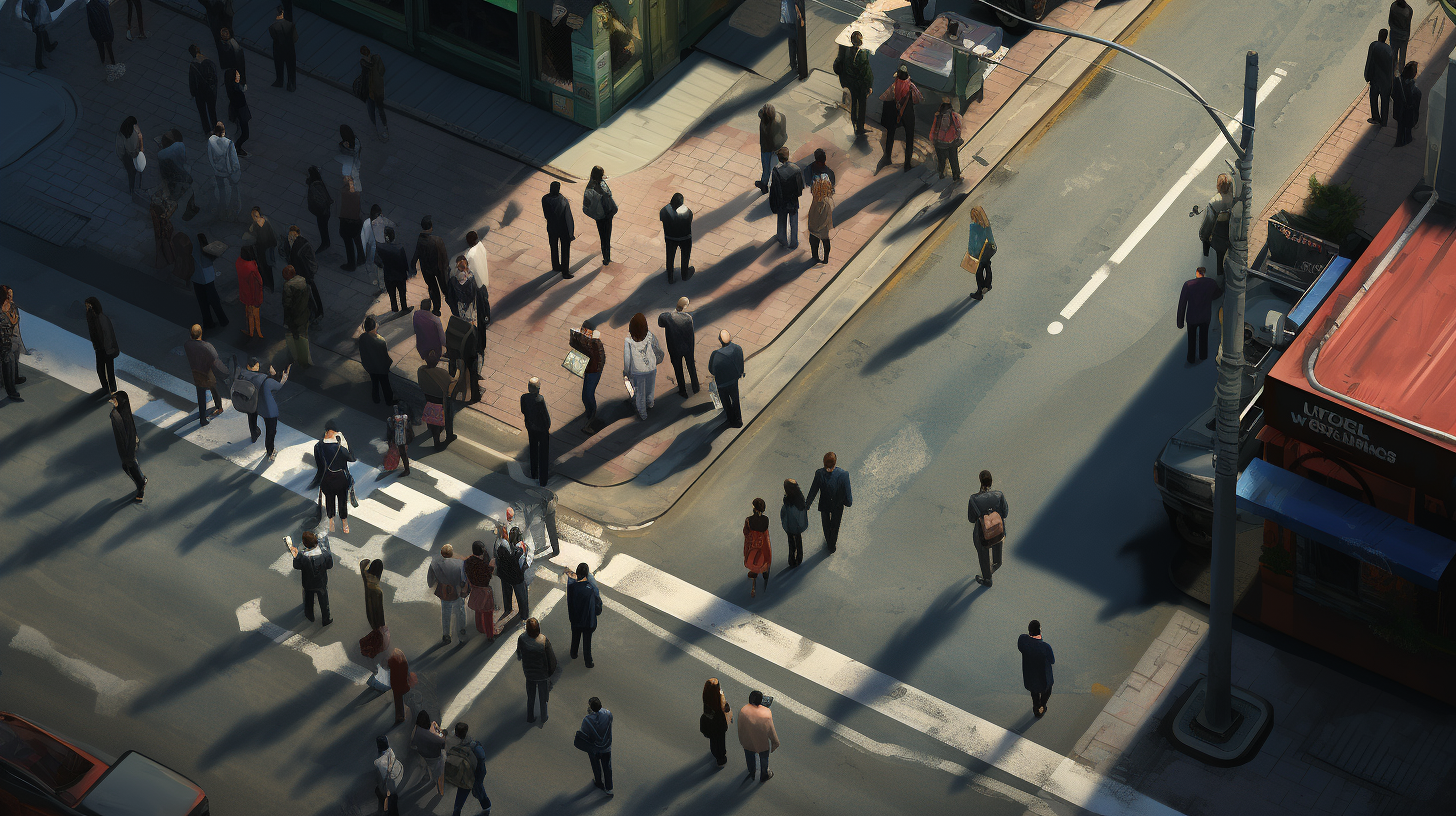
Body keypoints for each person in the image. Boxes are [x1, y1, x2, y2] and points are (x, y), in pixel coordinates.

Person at [237, 358, 288, 458]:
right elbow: (279, 387)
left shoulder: (242, 374)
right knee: (271, 430)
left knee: (251, 417)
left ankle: (254, 434)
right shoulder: (265, 380)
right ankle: (270, 450)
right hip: (266, 408)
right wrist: (284, 377)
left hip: (251, 402)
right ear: (255, 366)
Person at [969, 469, 1009, 587]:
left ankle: (987, 579)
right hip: (998, 531)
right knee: (997, 545)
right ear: (991, 482)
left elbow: (971, 519)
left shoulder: (974, 499)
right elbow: (1005, 513)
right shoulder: (999, 495)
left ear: (980, 482)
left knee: (983, 555)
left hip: (982, 534)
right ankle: (996, 564)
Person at [806, 452, 852, 553]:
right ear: (835, 462)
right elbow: (847, 490)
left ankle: (829, 543)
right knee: (835, 526)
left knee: (826, 525)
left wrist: (807, 504)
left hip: (825, 504)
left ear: (823, 462)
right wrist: (848, 502)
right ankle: (832, 545)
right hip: (838, 505)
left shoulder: (819, 473)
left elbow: (813, 490)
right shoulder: (843, 474)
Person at [314, 422, 356, 534]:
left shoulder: (318, 446)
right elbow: (352, 458)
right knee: (342, 500)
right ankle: (344, 522)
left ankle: (331, 522)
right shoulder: (340, 448)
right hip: (340, 478)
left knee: (329, 499)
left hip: (326, 478)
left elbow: (319, 464)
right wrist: (346, 443)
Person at [879, 66, 922, 171]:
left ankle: (888, 157)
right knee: (909, 138)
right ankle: (907, 163)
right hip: (908, 115)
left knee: (890, 134)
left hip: (895, 114)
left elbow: (884, 97)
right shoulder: (911, 86)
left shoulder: (894, 86)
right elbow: (918, 99)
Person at [1176, 266, 1223, 364]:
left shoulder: (1188, 284)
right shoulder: (1211, 283)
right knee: (1203, 337)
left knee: (1191, 339)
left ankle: (1191, 358)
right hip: (1205, 316)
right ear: (1204, 273)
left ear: (1197, 272)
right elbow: (1218, 294)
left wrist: (1180, 322)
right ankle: (1203, 356)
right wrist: (1209, 297)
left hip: (1192, 317)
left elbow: (1182, 304)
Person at [183, 324, 227, 425]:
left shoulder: (187, 344)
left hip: (196, 373)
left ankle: (202, 418)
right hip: (207, 372)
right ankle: (219, 407)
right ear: (201, 334)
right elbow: (215, 359)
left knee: (201, 395)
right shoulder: (207, 346)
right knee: (214, 389)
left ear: (191, 335)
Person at [624, 313, 663, 421]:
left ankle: (643, 413)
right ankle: (650, 402)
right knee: (650, 387)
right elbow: (656, 349)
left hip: (637, 370)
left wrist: (626, 371)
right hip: (651, 367)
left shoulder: (628, 341)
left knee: (640, 393)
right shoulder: (650, 335)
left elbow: (627, 358)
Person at [517, 617, 557, 723]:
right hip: (542, 675)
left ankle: (530, 717)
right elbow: (551, 659)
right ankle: (543, 717)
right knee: (543, 698)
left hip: (529, 674)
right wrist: (550, 673)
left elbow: (519, 654)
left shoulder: (521, 638)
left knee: (531, 697)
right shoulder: (543, 640)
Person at [289, 530, 333, 624]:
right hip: (321, 582)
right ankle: (326, 619)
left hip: (308, 583)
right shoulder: (325, 553)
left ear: (305, 544)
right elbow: (330, 565)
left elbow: (296, 566)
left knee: (308, 599)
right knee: (324, 601)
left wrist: (295, 555)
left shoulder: (302, 556)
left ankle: (309, 615)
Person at [428, 543, 470, 644]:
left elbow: (430, 580)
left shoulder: (434, 563)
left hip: (444, 592)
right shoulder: (459, 563)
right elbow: (463, 578)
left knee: (445, 613)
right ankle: (461, 629)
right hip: (457, 590)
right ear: (451, 554)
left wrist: (433, 584)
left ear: (441, 553)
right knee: (460, 611)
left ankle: (446, 635)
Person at [109, 391, 146, 502]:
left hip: (128, 445)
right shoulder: (120, 412)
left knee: (130, 464)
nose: (113, 402)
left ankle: (141, 485)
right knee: (126, 467)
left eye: (115, 400)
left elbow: (129, 433)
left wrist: (114, 412)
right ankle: (141, 482)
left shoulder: (122, 415)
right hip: (122, 443)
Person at [569, 320, 606, 429]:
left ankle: (592, 415)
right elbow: (573, 345)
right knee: (586, 395)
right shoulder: (588, 341)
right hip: (590, 370)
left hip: (594, 372)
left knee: (588, 395)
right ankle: (589, 412)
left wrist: (578, 337)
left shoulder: (594, 342)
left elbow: (587, 349)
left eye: (585, 331)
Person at [658, 298, 698, 398]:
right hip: (687, 348)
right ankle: (695, 387)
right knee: (691, 367)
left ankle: (682, 390)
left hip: (675, 348)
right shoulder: (688, 318)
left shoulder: (667, 317)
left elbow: (660, 322)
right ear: (685, 307)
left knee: (678, 369)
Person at [446, 723, 489, 816]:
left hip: (459, 773)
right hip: (472, 773)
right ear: (466, 732)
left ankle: (456, 812)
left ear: (456, 731)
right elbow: (481, 757)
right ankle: (486, 806)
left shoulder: (450, 741)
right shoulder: (473, 745)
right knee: (479, 789)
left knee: (461, 793)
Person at [360, 559, 390, 690]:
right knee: (378, 633)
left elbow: (362, 565)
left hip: (368, 610)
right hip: (375, 616)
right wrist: (382, 625)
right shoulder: (377, 590)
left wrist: (366, 563)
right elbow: (379, 610)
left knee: (375, 630)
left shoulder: (366, 575)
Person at [738, 690, 779, 782]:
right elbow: (770, 730)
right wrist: (775, 742)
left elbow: (740, 727)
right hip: (761, 742)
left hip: (747, 741)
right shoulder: (765, 714)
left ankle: (752, 770)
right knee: (763, 757)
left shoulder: (743, 711)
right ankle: (764, 774)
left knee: (749, 756)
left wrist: (742, 740)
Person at [565, 563, 600, 668]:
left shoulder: (572, 587)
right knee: (587, 642)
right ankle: (588, 662)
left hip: (575, 619)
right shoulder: (591, 589)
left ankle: (573, 653)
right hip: (588, 621)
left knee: (575, 637)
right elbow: (597, 604)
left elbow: (570, 603)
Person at [1199, 174, 1234, 277]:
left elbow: (1208, 223)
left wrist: (1203, 236)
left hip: (1218, 237)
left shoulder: (1214, 202)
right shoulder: (1233, 199)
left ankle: (1209, 265)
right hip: (1230, 233)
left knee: (1209, 246)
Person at [708, 330, 745, 428]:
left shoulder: (715, 354)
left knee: (726, 403)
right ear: (731, 338)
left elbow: (711, 369)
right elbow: (741, 364)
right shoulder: (738, 348)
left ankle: (731, 420)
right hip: (733, 380)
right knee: (735, 399)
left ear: (720, 340)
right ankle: (738, 420)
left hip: (722, 383)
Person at [1019, 620, 1055, 717]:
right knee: (1046, 692)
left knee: (1034, 694)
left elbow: (1025, 638)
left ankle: (1036, 706)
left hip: (1030, 676)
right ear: (1039, 631)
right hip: (1043, 678)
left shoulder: (1022, 641)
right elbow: (1052, 660)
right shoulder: (1045, 647)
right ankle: (1042, 706)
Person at [840, 31, 874, 135]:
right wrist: (869, 86)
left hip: (852, 83)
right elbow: (866, 72)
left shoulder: (848, 51)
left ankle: (854, 121)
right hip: (861, 85)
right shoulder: (863, 54)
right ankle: (860, 127)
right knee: (862, 105)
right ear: (860, 42)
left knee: (854, 103)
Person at [413, 216, 448, 315]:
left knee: (433, 289)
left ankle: (436, 308)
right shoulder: (437, 240)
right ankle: (449, 299)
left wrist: (413, 264)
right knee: (444, 286)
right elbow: (444, 257)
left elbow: (416, 253)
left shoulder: (420, 240)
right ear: (431, 227)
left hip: (427, 270)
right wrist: (446, 268)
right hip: (438, 268)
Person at [769, 147, 803, 249]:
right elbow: (800, 188)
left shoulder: (776, 171)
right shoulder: (796, 169)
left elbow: (774, 189)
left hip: (782, 201)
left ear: (779, 158)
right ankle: (794, 242)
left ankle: (782, 239)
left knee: (782, 221)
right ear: (788, 156)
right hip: (792, 200)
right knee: (793, 222)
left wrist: (773, 202)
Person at [287, 225, 323, 323]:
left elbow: (310, 261)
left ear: (298, 234)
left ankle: (315, 315)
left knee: (309, 297)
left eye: (293, 236)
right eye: (289, 236)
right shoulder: (298, 244)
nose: (290, 238)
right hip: (304, 276)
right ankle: (316, 314)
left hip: (304, 277)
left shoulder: (299, 246)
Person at [582, 166, 617, 266]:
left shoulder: (602, 183)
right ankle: (606, 257)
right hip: (600, 216)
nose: (602, 177)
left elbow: (609, 193)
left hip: (608, 212)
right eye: (601, 175)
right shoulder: (590, 189)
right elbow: (587, 205)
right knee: (603, 236)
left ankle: (607, 255)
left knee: (607, 235)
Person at [84, 297, 119, 397]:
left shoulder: (102, 318)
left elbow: (108, 334)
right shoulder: (92, 318)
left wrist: (108, 349)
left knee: (109, 370)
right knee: (101, 369)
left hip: (106, 348)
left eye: (89, 306)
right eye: (87, 306)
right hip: (99, 348)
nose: (88, 308)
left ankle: (112, 390)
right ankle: (106, 389)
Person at [418, 356, 455, 446]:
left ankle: (432, 431)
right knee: (448, 416)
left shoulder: (421, 370)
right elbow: (450, 383)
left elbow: (420, 384)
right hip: (440, 400)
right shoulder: (442, 372)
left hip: (428, 397)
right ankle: (448, 436)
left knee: (432, 416)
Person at [464, 541, 497, 642]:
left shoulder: (467, 561)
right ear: (482, 551)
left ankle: (480, 628)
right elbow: (486, 579)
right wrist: (491, 567)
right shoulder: (482, 565)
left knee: (478, 609)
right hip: (484, 590)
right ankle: (490, 635)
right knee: (488, 613)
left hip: (475, 589)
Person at [207, 123, 242, 219]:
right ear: (223, 132)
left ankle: (222, 210)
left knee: (221, 191)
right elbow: (234, 159)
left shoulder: (211, 141)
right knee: (233, 190)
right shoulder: (228, 143)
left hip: (218, 171)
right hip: (228, 172)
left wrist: (214, 167)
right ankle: (233, 211)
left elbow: (210, 155)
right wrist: (236, 170)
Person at [580, 697, 613, 795]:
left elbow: (584, 732)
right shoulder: (608, 714)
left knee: (596, 765)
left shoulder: (587, 719)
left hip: (594, 747)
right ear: (601, 705)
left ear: (590, 707)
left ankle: (599, 782)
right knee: (607, 767)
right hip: (606, 746)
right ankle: (609, 788)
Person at [356, 316, 394, 405]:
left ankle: (376, 398)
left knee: (374, 383)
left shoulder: (362, 337)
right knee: (385, 385)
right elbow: (384, 356)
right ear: (375, 326)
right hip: (381, 368)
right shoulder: (380, 340)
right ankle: (389, 401)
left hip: (369, 366)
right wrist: (389, 363)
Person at [521, 376, 551, 484]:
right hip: (541, 430)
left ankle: (534, 473)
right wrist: (547, 426)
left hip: (530, 427)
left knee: (533, 450)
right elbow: (545, 416)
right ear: (538, 388)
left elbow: (523, 410)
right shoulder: (540, 399)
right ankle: (543, 479)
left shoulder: (523, 397)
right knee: (543, 454)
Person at [494, 523, 528, 619]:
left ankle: (508, 609)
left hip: (504, 575)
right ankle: (524, 615)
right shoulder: (517, 552)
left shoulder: (497, 543)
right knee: (521, 597)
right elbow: (521, 564)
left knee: (506, 593)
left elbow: (495, 557)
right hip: (516, 578)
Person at [280, 265, 312, 367]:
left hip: (295, 317)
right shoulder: (303, 280)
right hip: (304, 314)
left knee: (297, 338)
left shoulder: (288, 286)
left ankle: (300, 359)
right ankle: (303, 358)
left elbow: (287, 304)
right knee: (303, 336)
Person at [542, 181, 576, 277]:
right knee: (565, 249)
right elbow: (567, 216)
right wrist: (570, 231)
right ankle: (565, 272)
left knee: (554, 247)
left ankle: (556, 265)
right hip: (563, 227)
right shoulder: (562, 199)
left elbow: (547, 215)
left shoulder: (545, 199)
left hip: (552, 227)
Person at [411, 711, 448, 796]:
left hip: (423, 755)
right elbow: (442, 744)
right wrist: (438, 732)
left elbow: (413, 745)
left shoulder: (416, 731)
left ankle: (427, 775)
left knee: (428, 767)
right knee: (439, 773)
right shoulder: (436, 739)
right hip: (435, 757)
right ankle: (440, 790)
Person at [0, 287, 27, 402]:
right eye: (8, 296)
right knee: (8, 358)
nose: (10, 298)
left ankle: (14, 378)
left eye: (11, 295)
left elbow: (16, 321)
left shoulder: (13, 306)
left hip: (10, 337)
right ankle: (11, 391)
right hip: (2, 340)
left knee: (15, 352)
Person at [660, 193, 694, 284]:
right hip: (685, 238)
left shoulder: (663, 210)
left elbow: (662, 219)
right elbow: (690, 220)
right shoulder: (687, 211)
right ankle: (684, 274)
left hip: (670, 238)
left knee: (670, 257)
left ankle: (670, 277)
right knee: (685, 256)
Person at [188, 46, 220, 138]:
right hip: (210, 90)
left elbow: (192, 81)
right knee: (212, 110)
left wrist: (193, 93)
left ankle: (208, 130)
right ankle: (215, 127)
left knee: (203, 112)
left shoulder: (193, 65)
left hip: (200, 92)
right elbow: (215, 77)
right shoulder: (209, 62)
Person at [743, 498, 772, 599]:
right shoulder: (766, 520)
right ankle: (764, 572)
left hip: (753, 545)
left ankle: (754, 572)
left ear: (754, 508)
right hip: (762, 544)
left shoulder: (749, 520)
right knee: (762, 558)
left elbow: (746, 532)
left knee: (753, 558)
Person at [1366, 29, 1395, 127]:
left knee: (1373, 99)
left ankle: (1376, 118)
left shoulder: (1374, 46)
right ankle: (1384, 121)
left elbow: (1369, 62)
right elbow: (1391, 69)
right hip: (1386, 81)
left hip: (1375, 79)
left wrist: (1367, 76)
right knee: (1385, 101)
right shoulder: (1389, 50)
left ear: (1379, 35)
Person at [246, 207, 280, 291]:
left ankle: (270, 285)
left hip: (267, 249)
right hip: (260, 249)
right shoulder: (255, 224)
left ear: (260, 215)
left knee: (267, 267)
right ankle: (264, 282)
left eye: (256, 215)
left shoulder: (265, 223)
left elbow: (272, 237)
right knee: (261, 266)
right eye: (253, 215)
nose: (254, 217)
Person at [378, 227, 410, 314]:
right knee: (402, 294)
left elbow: (376, 259)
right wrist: (407, 271)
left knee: (392, 296)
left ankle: (395, 309)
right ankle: (404, 308)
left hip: (389, 276)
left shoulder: (381, 247)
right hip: (400, 275)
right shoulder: (399, 248)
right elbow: (404, 262)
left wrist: (381, 264)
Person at [967, 205, 997, 299]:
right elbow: (990, 236)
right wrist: (993, 246)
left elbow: (972, 241)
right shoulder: (986, 224)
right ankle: (988, 285)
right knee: (987, 266)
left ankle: (979, 292)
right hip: (989, 249)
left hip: (979, 252)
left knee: (978, 271)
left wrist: (971, 252)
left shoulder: (974, 227)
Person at [931, 97, 964, 181]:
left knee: (941, 159)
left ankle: (941, 173)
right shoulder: (953, 115)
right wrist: (957, 136)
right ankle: (956, 176)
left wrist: (933, 140)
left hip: (940, 142)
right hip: (951, 142)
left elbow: (934, 129)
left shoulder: (938, 116)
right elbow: (958, 127)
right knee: (953, 160)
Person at [360, 46, 389, 141]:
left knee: (374, 109)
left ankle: (379, 128)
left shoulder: (365, 61)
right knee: (378, 109)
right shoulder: (375, 59)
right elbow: (382, 70)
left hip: (372, 89)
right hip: (374, 89)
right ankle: (383, 129)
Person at [701, 678, 732, 766]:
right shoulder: (719, 697)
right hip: (719, 723)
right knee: (721, 740)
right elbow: (726, 708)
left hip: (709, 723)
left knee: (713, 740)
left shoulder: (706, 695)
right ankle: (721, 757)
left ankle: (715, 753)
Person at [757, 104, 787, 192]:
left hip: (767, 149)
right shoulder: (781, 117)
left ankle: (764, 185)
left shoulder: (767, 125)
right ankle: (771, 184)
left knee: (767, 169)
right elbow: (783, 133)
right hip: (778, 145)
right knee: (775, 167)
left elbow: (769, 141)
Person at [21, 0, 58, 71]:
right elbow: (35, 11)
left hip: (36, 21)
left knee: (43, 33)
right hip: (35, 22)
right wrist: (37, 24)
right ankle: (38, 63)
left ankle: (48, 47)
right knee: (38, 42)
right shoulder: (34, 2)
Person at [380, 401, 413, 477]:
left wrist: (389, 440)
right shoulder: (405, 419)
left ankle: (407, 470)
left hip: (399, 439)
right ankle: (406, 468)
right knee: (402, 453)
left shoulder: (392, 420)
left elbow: (390, 431)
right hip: (401, 438)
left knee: (402, 453)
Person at [236, 246, 264, 338]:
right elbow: (258, 283)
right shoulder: (252, 267)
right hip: (252, 295)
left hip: (244, 293)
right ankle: (258, 332)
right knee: (255, 314)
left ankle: (250, 331)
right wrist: (258, 299)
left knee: (248, 313)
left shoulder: (238, 262)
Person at [86, 0, 119, 77]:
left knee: (101, 47)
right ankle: (112, 61)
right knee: (109, 48)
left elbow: (90, 22)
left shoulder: (90, 6)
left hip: (98, 33)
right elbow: (107, 19)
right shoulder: (103, 3)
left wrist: (94, 34)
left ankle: (103, 59)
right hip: (107, 31)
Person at [780, 479, 808, 568]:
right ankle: (798, 558)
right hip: (796, 526)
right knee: (798, 541)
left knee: (791, 542)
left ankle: (792, 559)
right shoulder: (799, 499)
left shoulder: (789, 501)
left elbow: (785, 512)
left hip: (790, 525)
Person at [1393, 61, 1422, 148]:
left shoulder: (1398, 81)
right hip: (1407, 111)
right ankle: (1406, 140)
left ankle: (1399, 141)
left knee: (1400, 126)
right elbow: (1415, 101)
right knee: (1407, 127)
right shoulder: (1413, 88)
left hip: (1399, 109)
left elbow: (1393, 94)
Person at [268, 6, 297, 92]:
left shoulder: (272, 27)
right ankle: (291, 84)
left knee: (279, 65)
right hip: (289, 48)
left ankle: (279, 81)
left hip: (278, 49)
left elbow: (274, 37)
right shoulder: (290, 25)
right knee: (291, 66)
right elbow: (295, 38)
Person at [807, 175, 835, 264]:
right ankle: (824, 258)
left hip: (816, 226)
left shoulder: (818, 202)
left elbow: (812, 214)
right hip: (821, 226)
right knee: (825, 240)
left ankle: (816, 256)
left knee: (815, 240)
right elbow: (828, 216)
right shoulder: (825, 202)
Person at [305, 166, 333, 254]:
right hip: (323, 211)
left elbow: (319, 199)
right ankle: (325, 242)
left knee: (323, 227)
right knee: (323, 228)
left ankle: (325, 243)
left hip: (322, 212)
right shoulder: (319, 182)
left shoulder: (315, 186)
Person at [338, 175, 364, 271]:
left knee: (348, 243)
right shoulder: (357, 193)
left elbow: (340, 207)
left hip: (347, 222)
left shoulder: (345, 194)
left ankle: (351, 264)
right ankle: (361, 257)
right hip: (356, 221)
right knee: (357, 239)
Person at [374, 736, 404, 816]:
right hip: (397, 775)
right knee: (391, 798)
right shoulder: (390, 751)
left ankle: (388, 810)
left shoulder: (379, 762)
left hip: (390, 784)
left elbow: (384, 776)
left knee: (389, 798)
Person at [465, 230, 490, 325]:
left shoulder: (470, 255)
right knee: (485, 300)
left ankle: (485, 319)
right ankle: (487, 318)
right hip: (484, 277)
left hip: (478, 283)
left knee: (481, 303)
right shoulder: (481, 245)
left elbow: (470, 271)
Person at [116, 118, 144, 196]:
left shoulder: (120, 134)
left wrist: (122, 158)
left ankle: (131, 189)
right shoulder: (134, 134)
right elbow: (136, 148)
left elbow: (119, 149)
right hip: (134, 156)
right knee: (139, 171)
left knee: (131, 174)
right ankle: (138, 188)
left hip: (126, 158)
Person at [413, 302, 445, 367]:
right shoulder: (435, 320)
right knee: (433, 360)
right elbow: (442, 336)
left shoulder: (416, 315)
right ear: (430, 308)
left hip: (422, 344)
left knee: (428, 358)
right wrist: (445, 344)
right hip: (434, 346)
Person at [386, 648, 413, 724]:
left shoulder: (389, 659)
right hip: (403, 679)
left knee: (398, 698)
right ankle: (402, 713)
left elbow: (387, 667)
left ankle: (400, 716)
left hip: (396, 682)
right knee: (402, 696)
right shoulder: (399, 653)